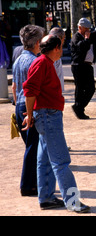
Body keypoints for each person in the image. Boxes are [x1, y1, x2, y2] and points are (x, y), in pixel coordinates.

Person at [22, 35, 90, 213]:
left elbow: (32, 91)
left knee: (44, 160)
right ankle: (72, 201)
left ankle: (46, 198)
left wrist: (32, 114)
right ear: (56, 48)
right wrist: (29, 115)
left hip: (47, 115)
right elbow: (29, 90)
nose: (62, 50)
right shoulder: (42, 63)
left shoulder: (44, 62)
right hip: (48, 116)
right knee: (61, 161)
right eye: (61, 46)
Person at [12, 25, 44, 197]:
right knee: (33, 147)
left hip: (20, 105)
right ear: (37, 42)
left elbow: (15, 87)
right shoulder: (34, 61)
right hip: (29, 106)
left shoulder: (18, 60)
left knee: (31, 146)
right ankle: (28, 185)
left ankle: (32, 183)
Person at [70, 17, 96, 119]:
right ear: (80, 28)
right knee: (80, 88)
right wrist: (86, 39)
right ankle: (79, 109)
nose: (88, 31)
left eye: (88, 29)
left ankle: (79, 107)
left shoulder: (89, 35)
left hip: (88, 65)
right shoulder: (76, 37)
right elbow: (82, 47)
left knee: (91, 88)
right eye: (85, 29)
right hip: (78, 66)